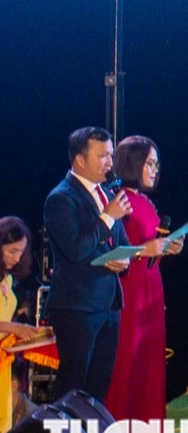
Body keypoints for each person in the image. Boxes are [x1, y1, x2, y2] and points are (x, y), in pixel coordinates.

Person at [42, 126, 132, 404]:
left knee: (98, 387)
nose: (110, 162)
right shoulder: (60, 198)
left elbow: (122, 242)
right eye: (102, 155)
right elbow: (75, 249)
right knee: (73, 386)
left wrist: (125, 259)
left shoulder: (105, 193)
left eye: (111, 154)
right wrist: (107, 217)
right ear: (80, 160)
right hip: (76, 307)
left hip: (107, 305)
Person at [105, 136, 185, 433]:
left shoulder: (146, 202)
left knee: (148, 366)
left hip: (151, 290)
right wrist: (145, 250)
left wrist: (167, 247)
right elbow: (114, 250)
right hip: (130, 293)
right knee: (127, 365)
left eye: (157, 164)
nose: (154, 170)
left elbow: (150, 249)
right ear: (133, 163)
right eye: (149, 163)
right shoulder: (120, 200)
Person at [1, 217, 37, 433]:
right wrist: (14, 328)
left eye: (21, 251)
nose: (18, 257)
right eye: (12, 251)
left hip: (3, 361)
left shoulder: (7, 279)